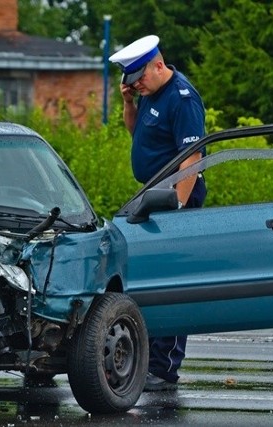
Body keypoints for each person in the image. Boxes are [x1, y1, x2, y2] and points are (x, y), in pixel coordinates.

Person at [109, 35, 207, 391]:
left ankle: (165, 369)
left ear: (158, 66)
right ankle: (151, 360)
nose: (137, 87)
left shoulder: (182, 99)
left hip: (177, 196)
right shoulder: (150, 95)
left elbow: (192, 159)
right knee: (150, 278)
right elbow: (141, 137)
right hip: (154, 194)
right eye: (130, 84)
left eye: (139, 80)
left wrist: (178, 209)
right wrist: (128, 104)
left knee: (172, 282)